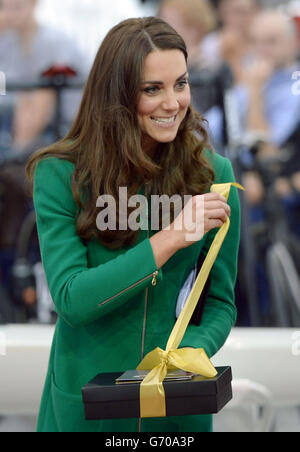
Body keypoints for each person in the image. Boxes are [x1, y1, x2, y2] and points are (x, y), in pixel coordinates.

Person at [26, 17, 241, 433]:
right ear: (117, 95)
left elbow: (220, 302)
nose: (172, 102)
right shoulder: (61, 174)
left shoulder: (213, 174)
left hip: (178, 409)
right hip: (87, 405)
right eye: (151, 89)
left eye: (181, 83)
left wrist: (185, 356)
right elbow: (72, 298)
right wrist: (172, 237)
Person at [0, 0, 89, 152]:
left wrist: (15, 153)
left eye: (17, 6)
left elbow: (40, 102)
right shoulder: (9, 40)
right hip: (31, 123)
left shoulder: (52, 41)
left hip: (70, 127)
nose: (10, 13)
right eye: (4, 7)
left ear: (33, 4)